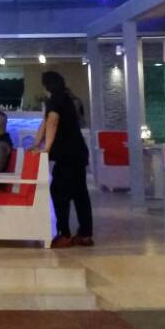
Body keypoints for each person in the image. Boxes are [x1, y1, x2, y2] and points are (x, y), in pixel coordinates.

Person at [33, 70, 93, 248]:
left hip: (67, 155)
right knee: (80, 193)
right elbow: (45, 122)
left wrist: (46, 148)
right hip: (78, 153)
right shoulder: (65, 98)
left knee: (59, 192)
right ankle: (85, 234)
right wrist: (37, 143)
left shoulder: (55, 100)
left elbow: (52, 122)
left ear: (46, 85)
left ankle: (64, 234)